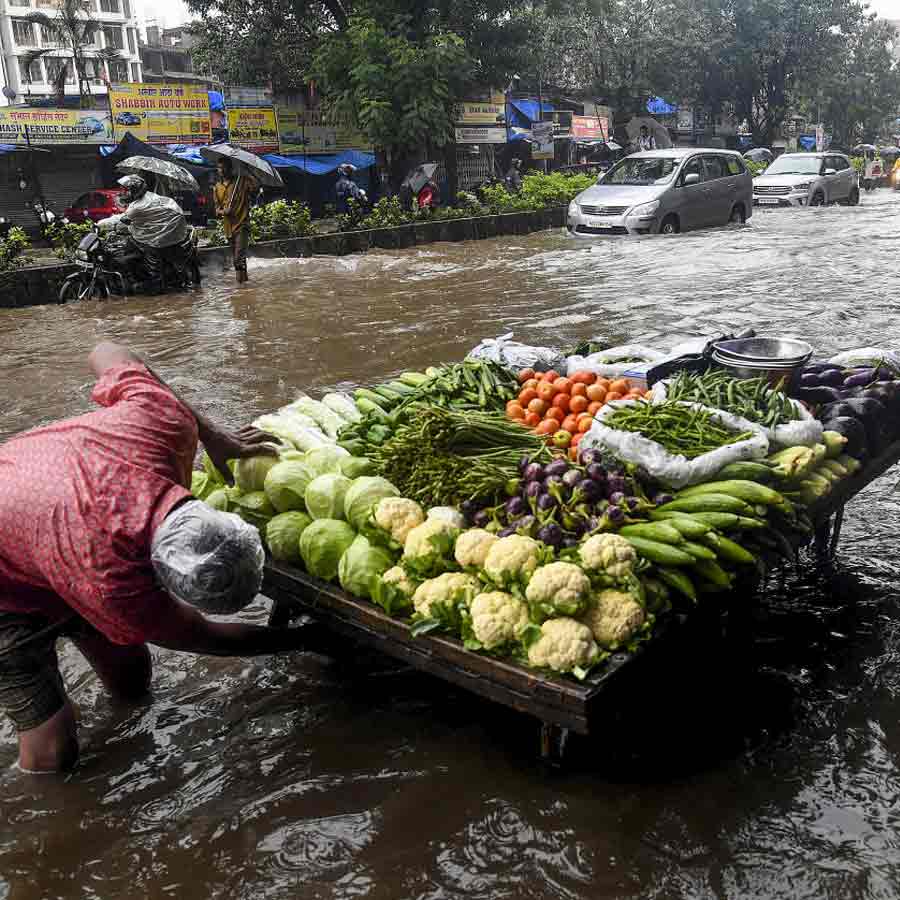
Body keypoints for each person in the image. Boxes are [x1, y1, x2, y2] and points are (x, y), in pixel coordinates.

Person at [0, 341, 313, 774]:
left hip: (43, 520)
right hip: (9, 590)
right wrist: (304, 641)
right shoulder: (111, 581)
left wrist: (211, 433)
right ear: (160, 575)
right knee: (55, 752)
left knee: (132, 680)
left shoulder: (162, 420)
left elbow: (104, 349)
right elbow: (203, 636)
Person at [99, 175, 189, 293]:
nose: (124, 193)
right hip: (157, 230)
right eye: (124, 190)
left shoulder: (138, 207)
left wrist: (100, 224)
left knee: (152, 259)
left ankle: (156, 287)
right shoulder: (145, 197)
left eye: (127, 190)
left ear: (135, 191)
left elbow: (121, 219)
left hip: (162, 236)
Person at [213, 159, 258, 284]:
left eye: (224, 168)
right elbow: (217, 210)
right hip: (228, 226)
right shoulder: (217, 187)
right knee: (237, 259)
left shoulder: (242, 182)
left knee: (238, 257)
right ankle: (244, 282)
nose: (221, 171)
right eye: (219, 168)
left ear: (230, 168)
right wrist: (223, 212)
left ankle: (241, 285)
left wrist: (247, 171)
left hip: (242, 224)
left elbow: (256, 187)